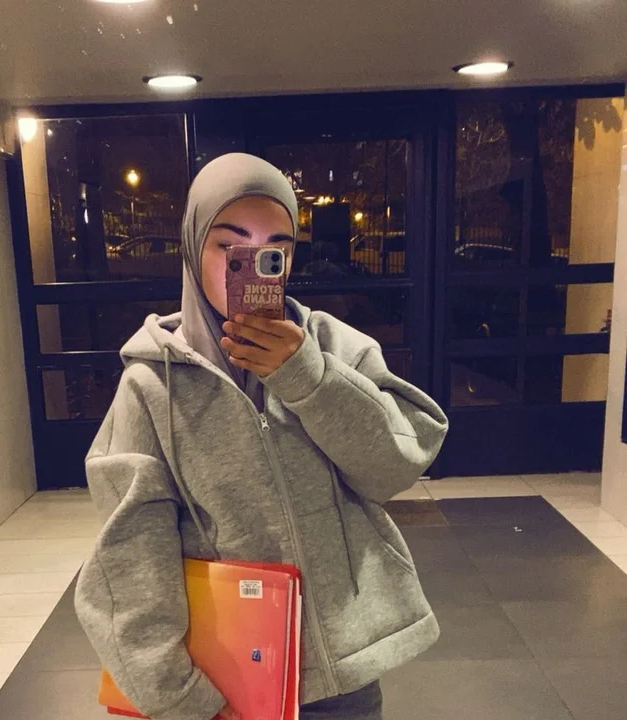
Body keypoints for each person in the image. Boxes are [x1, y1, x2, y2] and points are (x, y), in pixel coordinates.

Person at [75, 153, 449, 720]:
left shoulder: (333, 346)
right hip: (226, 679)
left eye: (275, 250)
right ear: (192, 248)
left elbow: (397, 466)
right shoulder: (152, 385)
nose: (251, 267)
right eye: (229, 246)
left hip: (343, 670)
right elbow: (130, 553)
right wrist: (177, 694)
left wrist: (308, 377)